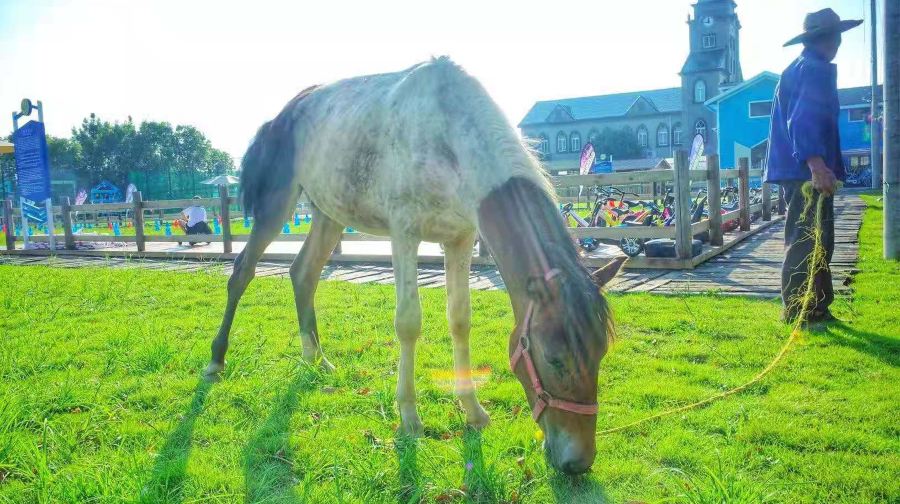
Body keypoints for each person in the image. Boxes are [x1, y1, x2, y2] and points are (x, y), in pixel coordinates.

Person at [764, 8, 862, 323]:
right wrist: (817, 166)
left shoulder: (800, 67)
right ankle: (796, 309)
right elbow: (803, 120)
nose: (839, 41)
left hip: (798, 170)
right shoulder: (814, 69)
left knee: (817, 239)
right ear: (829, 38)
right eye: (837, 36)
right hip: (805, 171)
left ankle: (817, 307)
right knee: (807, 240)